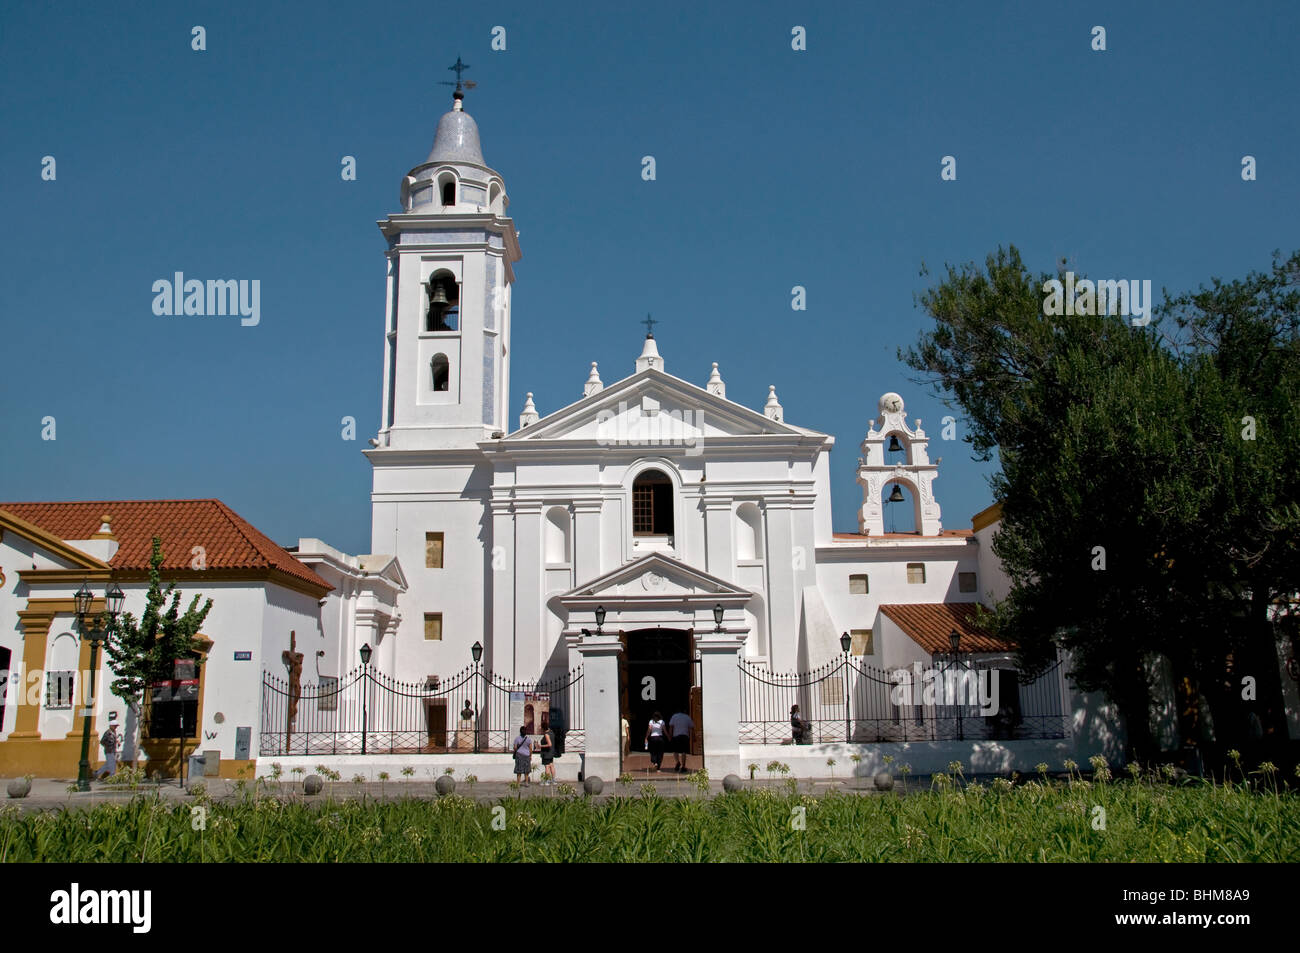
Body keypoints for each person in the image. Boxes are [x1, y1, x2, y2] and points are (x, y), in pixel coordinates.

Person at [94, 712, 120, 780]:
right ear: (111, 726)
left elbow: (113, 740)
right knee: (112, 764)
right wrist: (108, 745)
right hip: (109, 751)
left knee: (108, 764)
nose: (116, 727)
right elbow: (102, 741)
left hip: (113, 750)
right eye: (115, 726)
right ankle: (112, 777)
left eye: (116, 726)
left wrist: (116, 742)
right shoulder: (108, 733)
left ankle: (96, 773)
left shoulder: (113, 732)